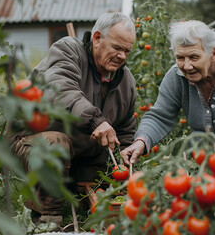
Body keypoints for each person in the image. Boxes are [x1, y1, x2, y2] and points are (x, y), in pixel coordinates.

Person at [10, 12, 137, 225]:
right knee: (56, 144)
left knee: (97, 203)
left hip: (82, 153)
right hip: (33, 139)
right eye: (117, 48)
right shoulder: (68, 51)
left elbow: (125, 128)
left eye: (127, 51)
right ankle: (49, 218)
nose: (122, 56)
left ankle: (75, 200)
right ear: (97, 38)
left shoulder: (126, 81)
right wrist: (96, 120)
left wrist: (126, 155)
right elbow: (59, 88)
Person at [121, 20, 215, 166]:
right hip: (210, 150)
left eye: (194, 57)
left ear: (213, 53)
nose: (187, 66)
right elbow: (160, 116)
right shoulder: (177, 76)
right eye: (180, 58)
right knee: (195, 143)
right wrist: (141, 141)